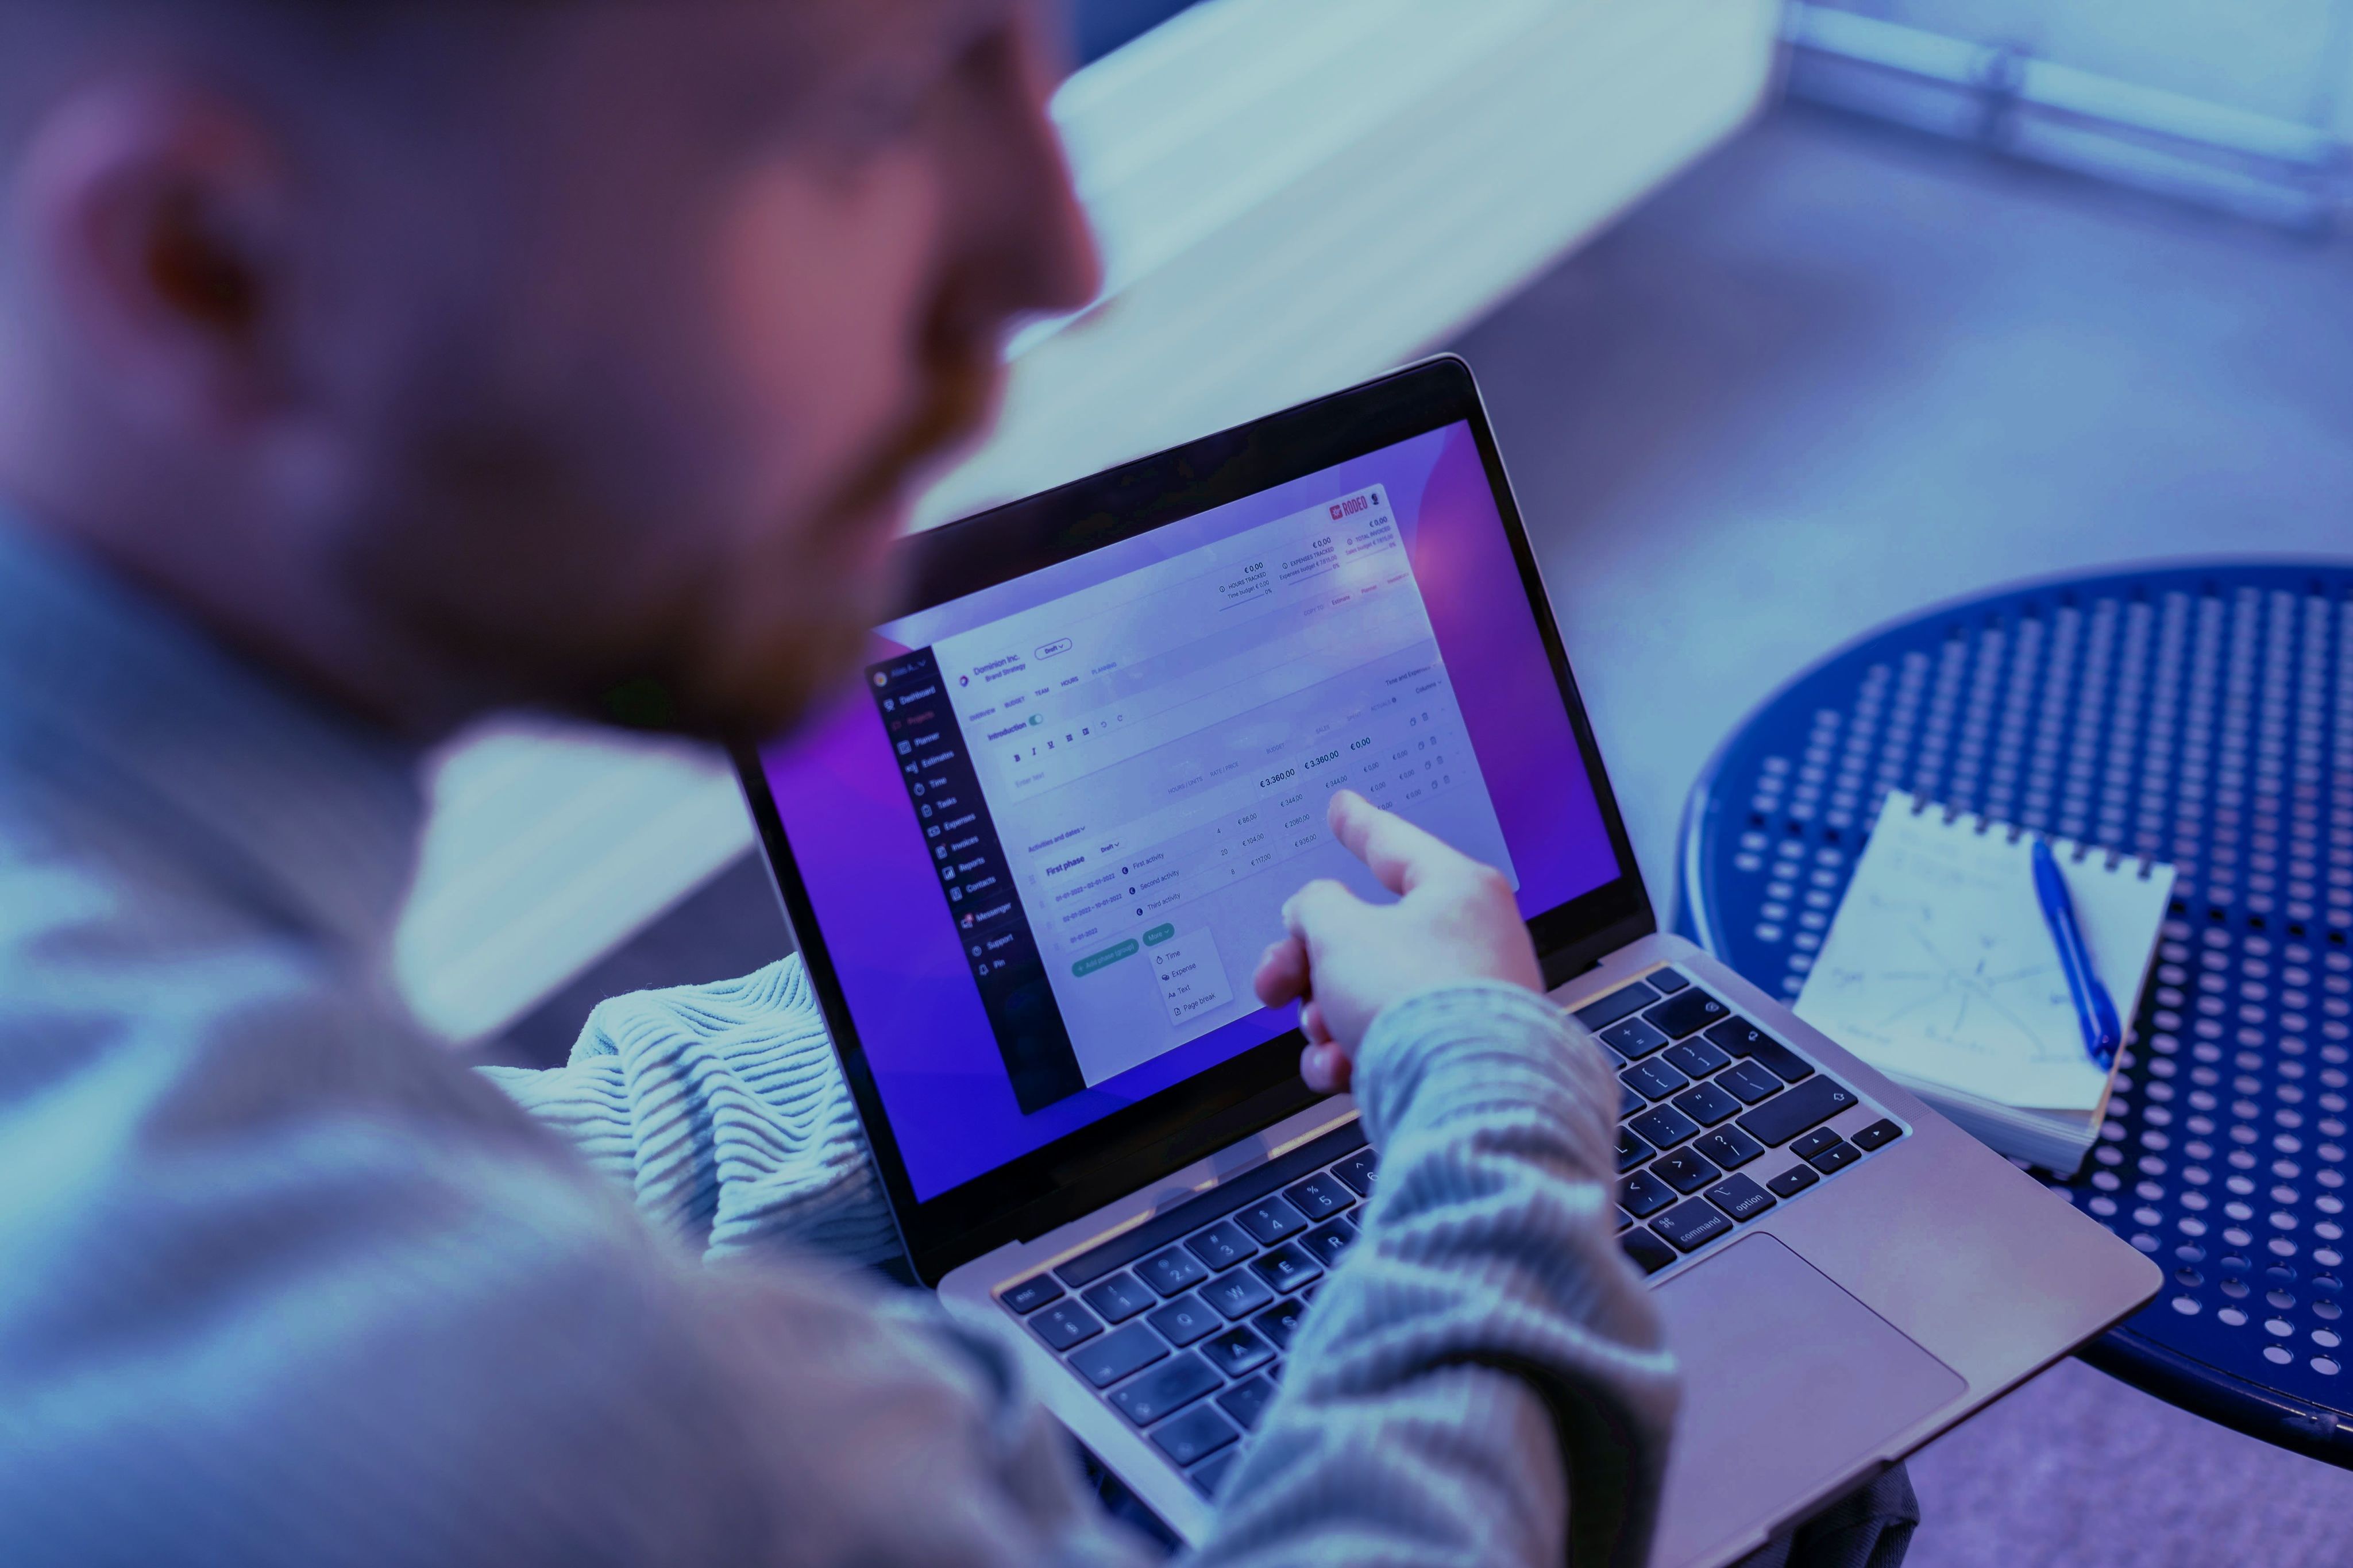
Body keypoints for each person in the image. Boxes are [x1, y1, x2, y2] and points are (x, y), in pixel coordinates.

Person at [0, 1, 1910, 1563]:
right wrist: (1496, 1096)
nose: (1059, 256)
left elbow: (458, 1146)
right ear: (212, 268)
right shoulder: (544, 1426)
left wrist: (958, 1052)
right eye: (874, 106)